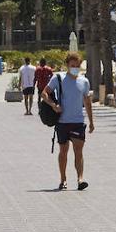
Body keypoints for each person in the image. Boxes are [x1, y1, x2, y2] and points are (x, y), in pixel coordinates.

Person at [41, 52, 94, 189]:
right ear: (67, 65)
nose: (75, 68)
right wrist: (53, 105)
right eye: (72, 65)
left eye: (77, 65)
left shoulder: (84, 81)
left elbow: (87, 102)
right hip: (62, 122)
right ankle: (63, 179)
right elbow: (44, 93)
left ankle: (80, 179)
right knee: (63, 151)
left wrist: (91, 121)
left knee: (78, 151)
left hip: (78, 122)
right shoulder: (58, 78)